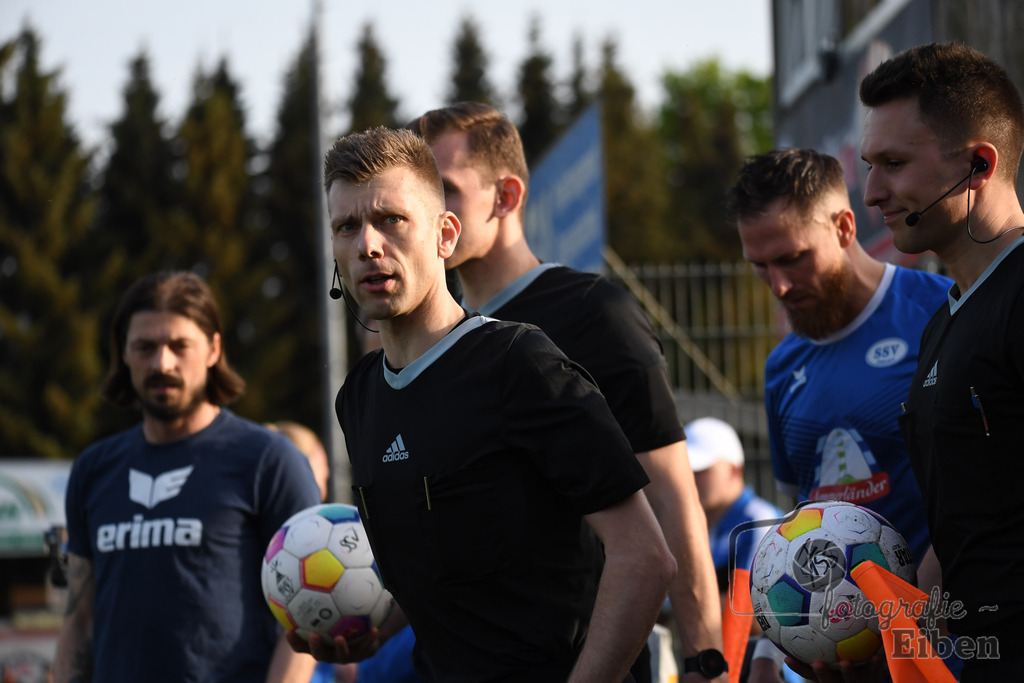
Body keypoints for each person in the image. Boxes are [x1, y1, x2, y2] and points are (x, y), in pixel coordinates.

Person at [291, 126, 675, 682]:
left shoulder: (518, 364)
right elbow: (441, 569)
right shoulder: (359, 397)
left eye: (392, 219)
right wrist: (374, 631)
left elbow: (645, 557)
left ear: (445, 235)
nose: (368, 244)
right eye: (346, 226)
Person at [406, 101, 727, 683]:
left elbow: (671, 499)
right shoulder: (428, 342)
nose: (427, 211)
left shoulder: (593, 314)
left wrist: (706, 662)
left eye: (445, 189)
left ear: (506, 197)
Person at [725, 149, 954, 682]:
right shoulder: (782, 367)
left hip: (950, 647)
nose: (779, 286)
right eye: (760, 266)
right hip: (837, 656)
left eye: (792, 258)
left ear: (845, 227)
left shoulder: (939, 312)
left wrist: (914, 624)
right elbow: (796, 520)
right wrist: (766, 654)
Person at [53, 271, 322, 683]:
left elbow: (305, 614)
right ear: (123, 353)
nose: (162, 363)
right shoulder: (93, 469)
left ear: (213, 349)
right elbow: (79, 621)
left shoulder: (270, 461)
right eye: (144, 347)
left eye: (180, 346)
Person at [860, 42, 1024, 681]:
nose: (872, 193)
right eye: (870, 165)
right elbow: (969, 533)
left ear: (979, 164)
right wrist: (880, 642)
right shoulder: (943, 322)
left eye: (894, 164)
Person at [685, 417, 792, 683]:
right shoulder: (699, 525)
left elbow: (756, 617)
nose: (691, 479)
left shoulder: (760, 522)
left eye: (701, 469)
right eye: (687, 470)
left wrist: (684, 601)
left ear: (734, 469)